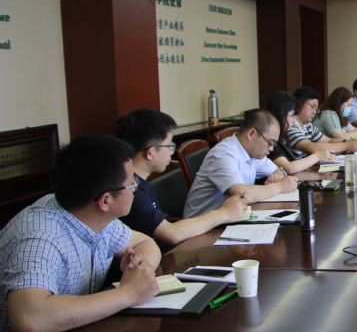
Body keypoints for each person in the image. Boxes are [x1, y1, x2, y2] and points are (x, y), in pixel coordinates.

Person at [0, 134, 161, 332]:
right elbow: (29, 322)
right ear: (105, 200)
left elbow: (145, 243)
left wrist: (140, 268)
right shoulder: (39, 237)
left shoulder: (92, 215)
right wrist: (129, 293)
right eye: (131, 183)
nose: (136, 188)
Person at [116, 108, 250, 248]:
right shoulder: (130, 191)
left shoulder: (140, 182)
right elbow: (171, 234)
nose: (171, 152)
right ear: (150, 153)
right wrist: (224, 213)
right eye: (170, 146)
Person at [183, 109, 299, 218]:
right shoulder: (223, 154)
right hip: (202, 225)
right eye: (269, 143)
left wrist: (276, 177)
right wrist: (278, 186)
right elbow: (242, 194)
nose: (271, 149)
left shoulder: (253, 152)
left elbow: (276, 169)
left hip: (230, 217)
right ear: (252, 134)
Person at [265, 91, 338, 174]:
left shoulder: (283, 136)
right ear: (281, 113)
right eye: (292, 115)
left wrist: (321, 176)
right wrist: (317, 157)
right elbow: (289, 168)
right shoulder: (271, 140)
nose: (294, 120)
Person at [283, 86, 357, 159]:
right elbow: (310, 147)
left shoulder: (308, 126)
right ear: (298, 105)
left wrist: (349, 142)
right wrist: (345, 146)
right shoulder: (291, 126)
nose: (314, 112)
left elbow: (328, 140)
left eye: (316, 108)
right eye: (312, 107)